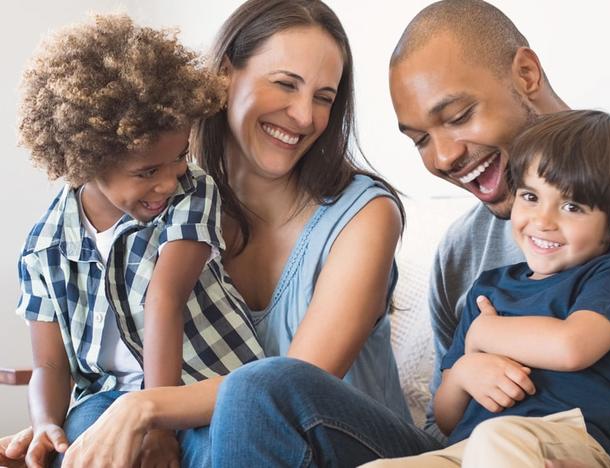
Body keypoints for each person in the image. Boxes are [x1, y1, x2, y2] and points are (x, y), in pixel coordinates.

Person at [157, 1, 610, 467]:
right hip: (470, 451)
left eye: (459, 115)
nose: (443, 157)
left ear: (527, 75)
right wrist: (467, 368)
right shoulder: (463, 254)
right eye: (419, 139)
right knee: (261, 390)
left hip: (604, 451)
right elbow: (448, 424)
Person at [0, 1, 419, 467]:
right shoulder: (159, 203)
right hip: (234, 440)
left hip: (346, 448)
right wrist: (61, 428)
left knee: (251, 396)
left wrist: (143, 409)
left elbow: (292, 386)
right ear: (223, 75)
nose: (304, 116)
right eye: (285, 84)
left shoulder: (365, 214)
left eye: (324, 97)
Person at [7, 14, 263, 468]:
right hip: (105, 395)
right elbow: (50, 364)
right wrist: (47, 422)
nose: (168, 181)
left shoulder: (193, 192)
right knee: (82, 448)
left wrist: (157, 424)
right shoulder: (44, 248)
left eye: (178, 157)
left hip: (201, 386)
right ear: (86, 162)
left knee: (216, 452)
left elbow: (164, 296)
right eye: (147, 172)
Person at [366, 109, 610, 467]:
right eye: (530, 197)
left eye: (571, 206)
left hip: (564, 440)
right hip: (469, 448)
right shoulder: (487, 290)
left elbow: (572, 347)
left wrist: (485, 333)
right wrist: (464, 373)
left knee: (498, 438)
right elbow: (445, 417)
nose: (543, 221)